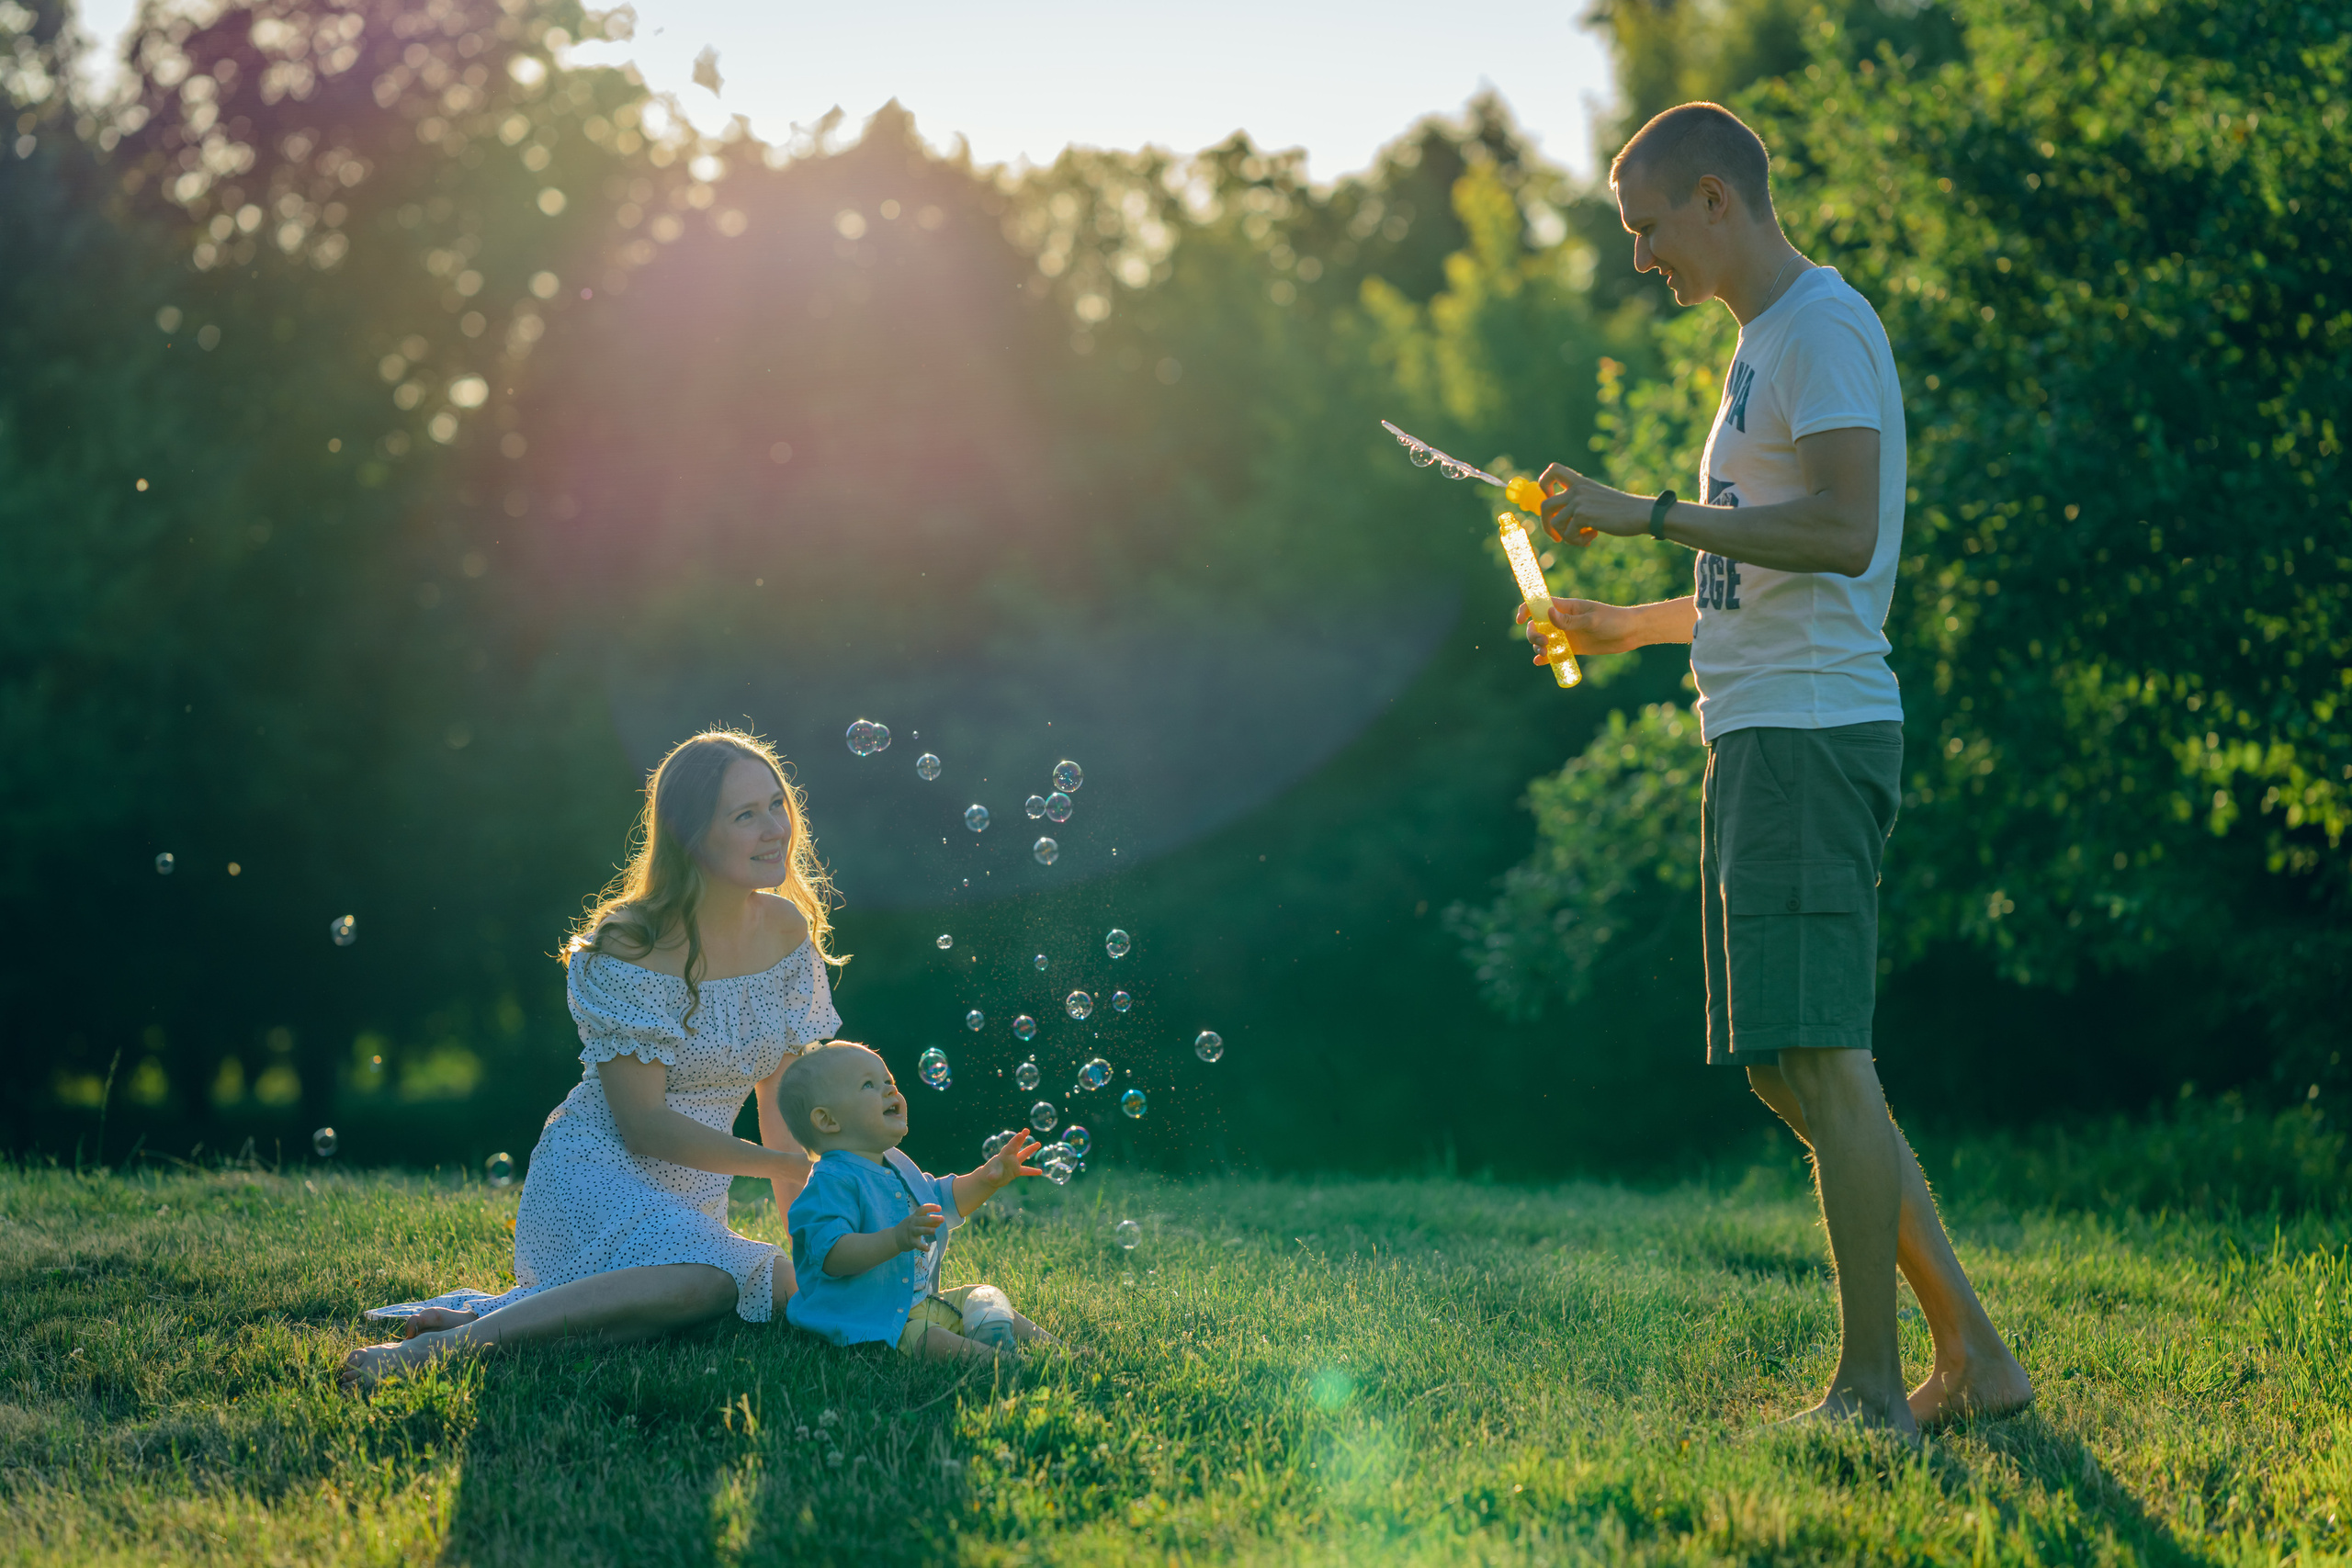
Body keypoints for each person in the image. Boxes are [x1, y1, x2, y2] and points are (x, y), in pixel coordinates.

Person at [1521, 103, 2031, 1436]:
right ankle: (1975, 1353)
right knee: (1781, 1068)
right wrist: (1627, 622)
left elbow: (1846, 531)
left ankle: (1871, 1387)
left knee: (1822, 1055)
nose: (1641, 258)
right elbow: (1759, 567)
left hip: (1810, 732)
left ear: (1714, 198)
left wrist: (1646, 513)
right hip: (1757, 729)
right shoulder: (1760, 345)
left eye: (1647, 229)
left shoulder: (1821, 326)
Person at [340, 729, 843, 1393]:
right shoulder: (630, 944)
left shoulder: (785, 930)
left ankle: (496, 1318)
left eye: (776, 804)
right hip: (595, 1175)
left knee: (776, 1288)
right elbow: (645, 1126)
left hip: (689, 1200)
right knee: (714, 1284)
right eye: (745, 814)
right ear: (692, 835)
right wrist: (780, 1165)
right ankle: (443, 1350)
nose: (774, 828)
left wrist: (814, 1242)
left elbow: (781, 1109)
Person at [779, 1042, 1057, 1360]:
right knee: (929, 1338)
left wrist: (986, 1178)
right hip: (863, 1319)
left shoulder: (896, 1163)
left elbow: (941, 1200)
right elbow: (833, 1255)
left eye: (889, 1081)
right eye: (868, 1085)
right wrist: (896, 1238)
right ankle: (1005, 1362)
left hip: (915, 1305)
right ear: (828, 1120)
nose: (889, 1090)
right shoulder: (830, 1181)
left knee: (985, 1296)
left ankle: (1059, 1351)